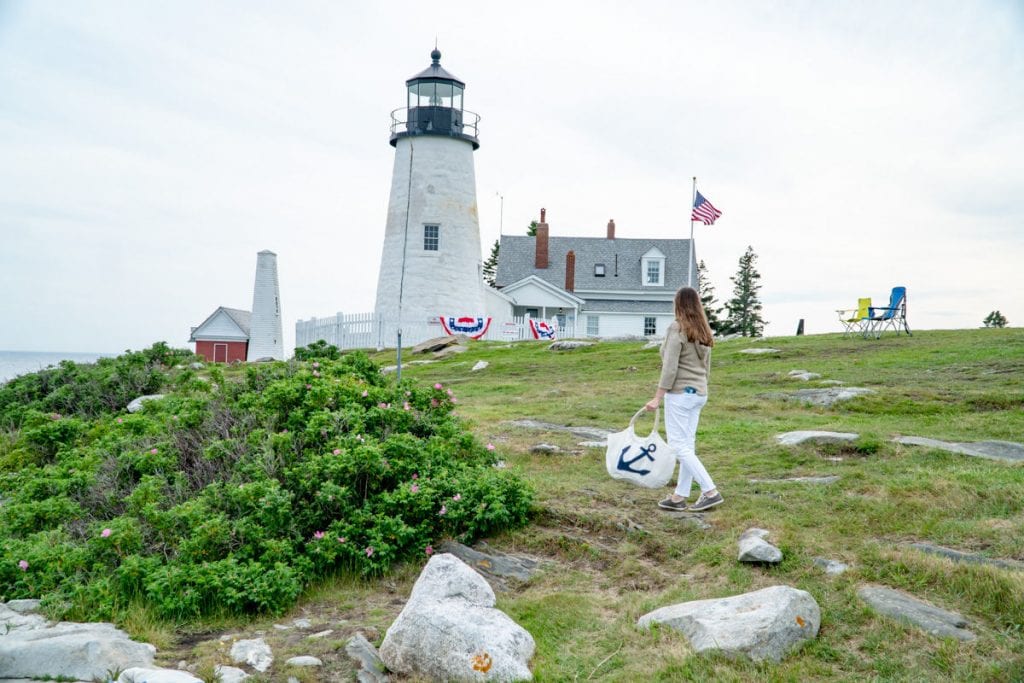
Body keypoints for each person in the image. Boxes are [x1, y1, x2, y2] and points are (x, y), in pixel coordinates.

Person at [644, 286, 723, 512]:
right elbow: (706, 367)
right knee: (687, 445)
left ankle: (710, 491)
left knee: (679, 446)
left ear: (678, 304)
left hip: (680, 394)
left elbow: (670, 368)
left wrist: (657, 397)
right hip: (699, 393)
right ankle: (679, 497)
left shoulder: (677, 328)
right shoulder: (704, 330)